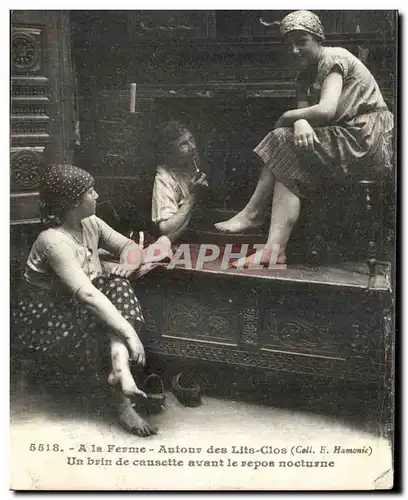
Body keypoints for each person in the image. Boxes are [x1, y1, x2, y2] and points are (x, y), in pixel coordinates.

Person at [215, 10, 394, 267]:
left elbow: (326, 110)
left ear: (318, 38)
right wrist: (298, 121)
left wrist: (289, 116)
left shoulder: (334, 58)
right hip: (343, 135)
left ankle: (254, 215)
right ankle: (273, 249)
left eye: (301, 41)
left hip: (365, 137)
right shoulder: (303, 76)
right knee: (287, 155)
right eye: (289, 44)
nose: (295, 50)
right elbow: (305, 118)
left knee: (281, 141)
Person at [13, 164, 172, 437]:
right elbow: (87, 295)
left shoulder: (90, 224)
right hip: (47, 322)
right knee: (101, 308)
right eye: (90, 191)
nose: (97, 195)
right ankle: (120, 400)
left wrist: (128, 265)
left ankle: (119, 368)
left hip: (78, 307)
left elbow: (130, 247)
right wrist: (130, 333)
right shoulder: (53, 240)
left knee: (118, 284)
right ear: (74, 202)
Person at [151, 120, 208, 243]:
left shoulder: (196, 163)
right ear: (170, 153)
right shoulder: (164, 178)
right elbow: (167, 233)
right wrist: (193, 196)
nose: (193, 147)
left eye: (191, 139)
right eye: (183, 144)